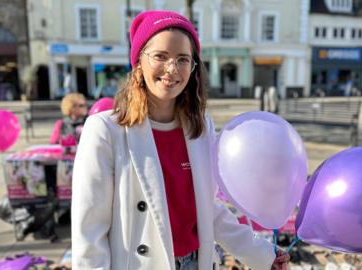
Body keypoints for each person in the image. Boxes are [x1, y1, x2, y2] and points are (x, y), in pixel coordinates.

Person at [71, 10, 290, 270]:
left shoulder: (201, 127)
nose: (172, 69)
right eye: (160, 56)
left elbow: (207, 210)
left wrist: (261, 254)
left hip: (196, 262)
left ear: (193, 67)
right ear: (139, 62)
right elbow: (89, 230)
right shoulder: (106, 130)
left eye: (183, 59)